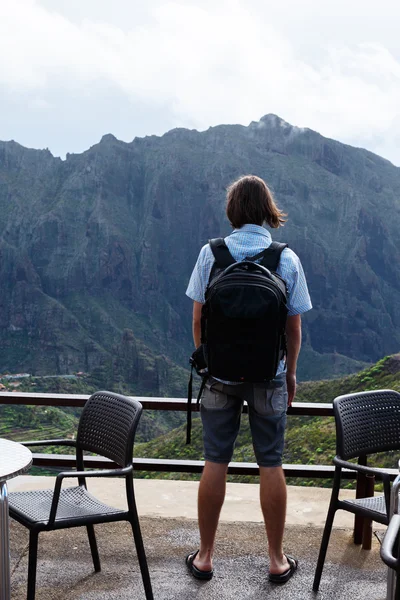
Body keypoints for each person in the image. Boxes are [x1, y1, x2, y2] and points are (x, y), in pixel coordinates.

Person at [185, 174, 312, 584]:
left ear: (233, 210)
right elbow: (293, 329)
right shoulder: (286, 259)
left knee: (215, 461)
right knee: (271, 463)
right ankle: (276, 560)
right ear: (268, 209)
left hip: (220, 376)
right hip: (269, 376)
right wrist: (289, 373)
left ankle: (205, 557)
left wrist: (208, 362)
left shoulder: (211, 254)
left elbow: (199, 318)